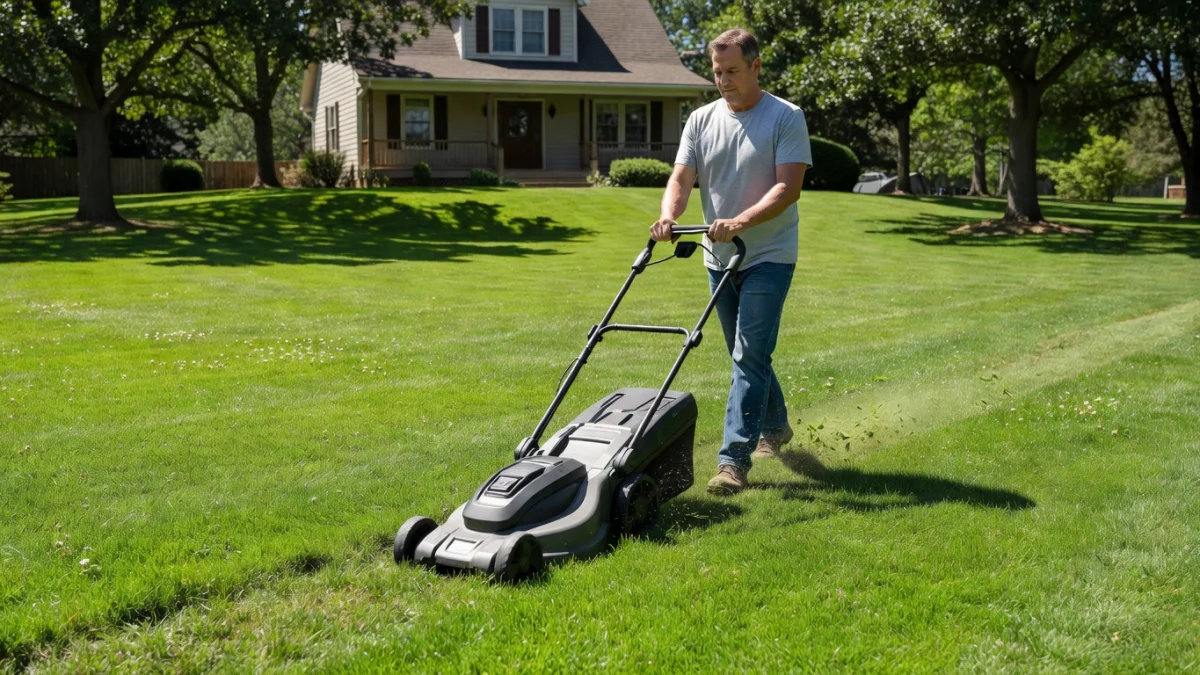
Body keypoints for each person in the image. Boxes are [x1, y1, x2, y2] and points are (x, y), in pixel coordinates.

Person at [650, 28, 812, 496]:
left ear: (756, 66)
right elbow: (682, 177)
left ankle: (732, 462)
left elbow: (788, 187)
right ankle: (776, 425)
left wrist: (741, 220)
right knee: (747, 353)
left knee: (748, 354)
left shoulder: (785, 117)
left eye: (732, 71)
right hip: (718, 257)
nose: (723, 80)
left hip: (769, 254)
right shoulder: (700, 120)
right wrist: (667, 216)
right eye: (717, 72)